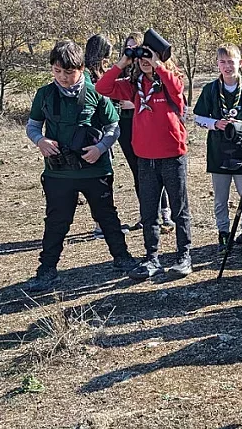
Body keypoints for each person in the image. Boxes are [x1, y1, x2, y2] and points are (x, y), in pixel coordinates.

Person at [23, 40, 136, 292]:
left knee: (107, 216)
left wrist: (101, 148)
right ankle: (46, 270)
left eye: (69, 72)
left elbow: (113, 125)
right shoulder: (44, 94)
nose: (63, 77)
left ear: (81, 67)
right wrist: (40, 141)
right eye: (57, 71)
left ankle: (123, 259)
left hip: (95, 169)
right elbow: (32, 125)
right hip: (58, 171)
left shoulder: (96, 91)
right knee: (56, 221)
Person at [95, 35, 193, 281]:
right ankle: (152, 257)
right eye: (143, 56)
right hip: (145, 158)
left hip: (172, 154)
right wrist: (124, 61)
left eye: (150, 54)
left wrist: (158, 64)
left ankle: (184, 255)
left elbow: (177, 90)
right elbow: (102, 87)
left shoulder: (171, 79)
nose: (146, 61)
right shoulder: (133, 85)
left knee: (179, 209)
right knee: (148, 211)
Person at [192, 45, 242, 252]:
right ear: (217, 64)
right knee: (220, 199)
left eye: (231, 62)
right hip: (219, 152)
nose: (227, 66)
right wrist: (216, 124)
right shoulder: (210, 89)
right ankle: (223, 234)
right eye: (222, 62)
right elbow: (197, 118)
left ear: (240, 63)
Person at [110, 32, 172, 233]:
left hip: (146, 124)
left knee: (156, 170)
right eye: (129, 48)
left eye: (138, 47)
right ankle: (145, 212)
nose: (136, 53)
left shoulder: (150, 72)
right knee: (138, 171)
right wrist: (122, 62)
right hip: (126, 124)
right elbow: (105, 89)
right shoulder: (124, 74)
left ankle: (163, 212)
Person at [83, 34, 129, 240]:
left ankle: (102, 222)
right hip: (95, 136)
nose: (108, 61)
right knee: (99, 181)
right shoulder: (89, 77)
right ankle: (102, 225)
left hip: (102, 135)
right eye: (106, 56)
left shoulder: (96, 74)